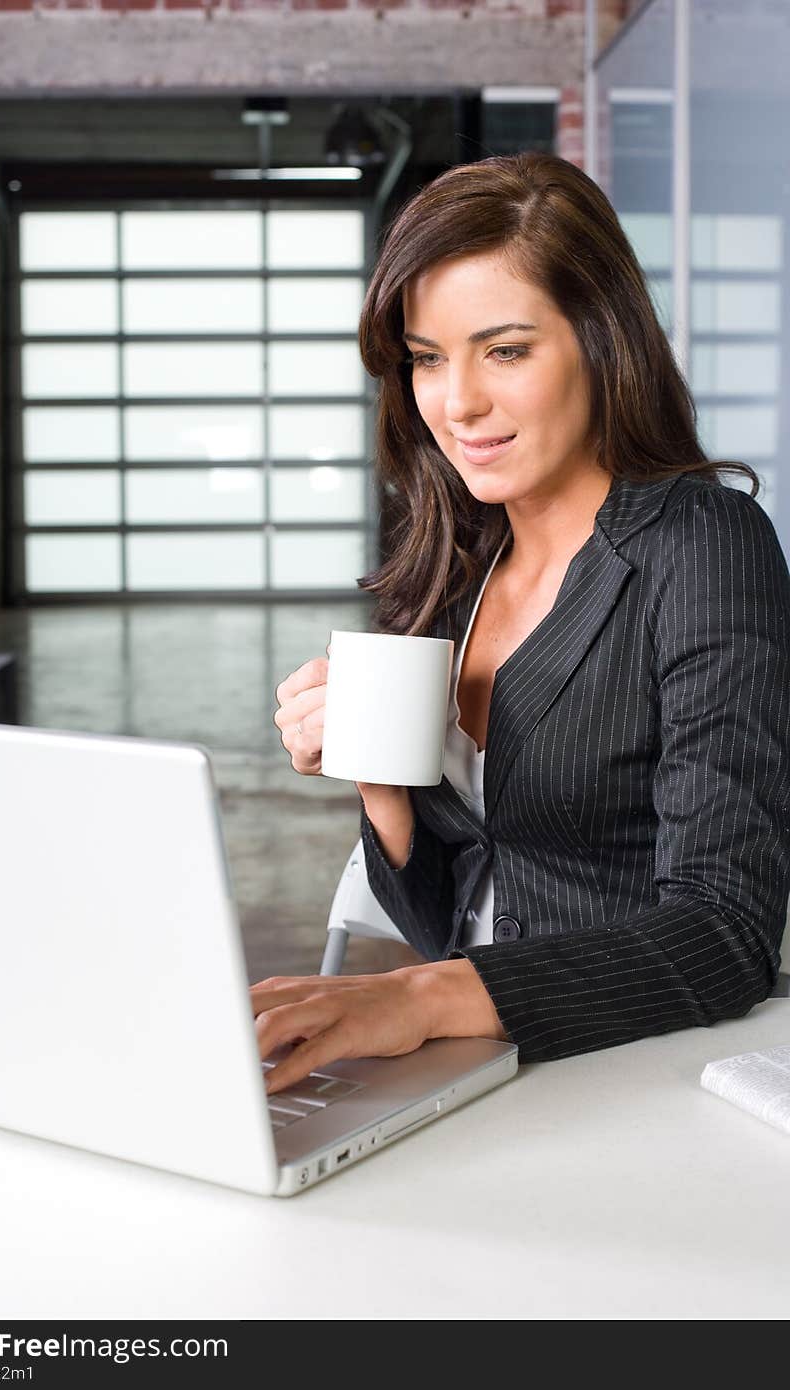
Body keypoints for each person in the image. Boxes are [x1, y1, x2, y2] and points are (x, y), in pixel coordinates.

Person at [257, 152, 790, 1097]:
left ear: (602, 340)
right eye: (427, 358)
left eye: (505, 350)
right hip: (483, 1066)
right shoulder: (456, 560)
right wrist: (381, 787)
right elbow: (450, 917)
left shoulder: (701, 543)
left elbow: (723, 933)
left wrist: (417, 999)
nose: (456, 403)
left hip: (636, 1067)